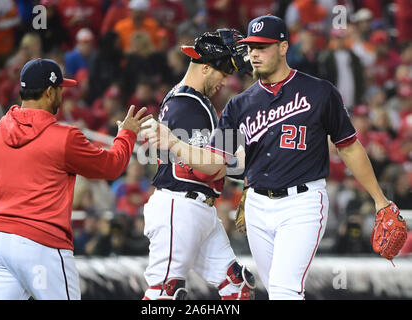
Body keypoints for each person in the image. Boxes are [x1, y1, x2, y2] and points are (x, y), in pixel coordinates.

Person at [146, 15, 398, 300]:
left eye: (263, 46)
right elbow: (214, 163)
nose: (254, 53)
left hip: (302, 202)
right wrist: (176, 145)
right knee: (269, 290)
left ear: (283, 47)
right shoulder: (237, 105)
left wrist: (380, 200)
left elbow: (349, 146)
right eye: (251, 47)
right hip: (257, 207)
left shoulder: (319, 91)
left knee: (284, 291)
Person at [0, 58, 151, 300]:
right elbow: (112, 167)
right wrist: (127, 134)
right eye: (60, 89)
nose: (62, 94)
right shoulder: (64, 137)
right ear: (50, 92)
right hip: (40, 243)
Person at [142, 29, 255, 300]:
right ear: (205, 68)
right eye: (223, 73)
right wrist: (243, 163)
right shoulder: (187, 103)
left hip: (199, 210)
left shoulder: (189, 99)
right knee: (163, 294)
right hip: (180, 206)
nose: (225, 81)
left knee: (236, 287)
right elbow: (202, 167)